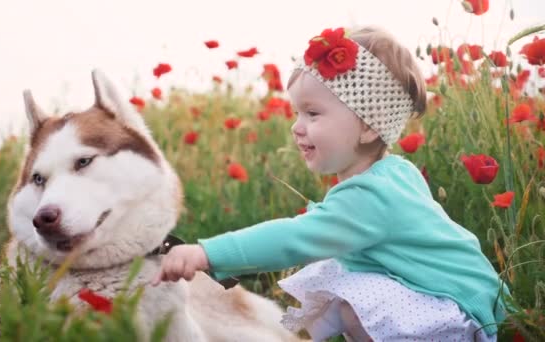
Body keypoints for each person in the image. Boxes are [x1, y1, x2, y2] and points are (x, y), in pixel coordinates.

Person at [151, 26, 508, 341]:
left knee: (350, 299)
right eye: (297, 113)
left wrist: (206, 253)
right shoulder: (396, 172)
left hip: (459, 312)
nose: (296, 126)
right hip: (465, 297)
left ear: (368, 126)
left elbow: (293, 238)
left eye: (313, 113)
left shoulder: (370, 199)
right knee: (338, 279)